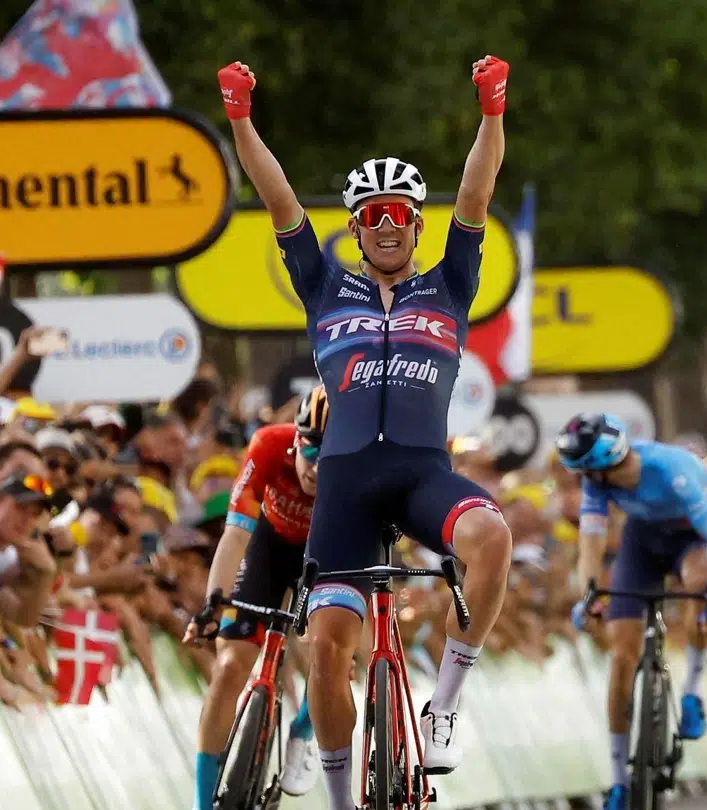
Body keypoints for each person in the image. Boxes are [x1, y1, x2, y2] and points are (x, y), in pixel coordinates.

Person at [215, 53, 514, 806]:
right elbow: (275, 194)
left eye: (401, 215)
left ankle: (444, 702)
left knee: (493, 538)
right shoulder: (324, 285)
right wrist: (242, 121)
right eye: (372, 215)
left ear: (418, 225)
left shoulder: (449, 283)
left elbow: (478, 188)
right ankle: (344, 800)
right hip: (344, 482)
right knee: (326, 653)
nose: (387, 225)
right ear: (354, 228)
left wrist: (491, 112)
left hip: (420, 473)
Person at [558, 413, 707, 810]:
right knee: (623, 656)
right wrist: (587, 597)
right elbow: (590, 545)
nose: (582, 481)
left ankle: (691, 692)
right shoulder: (597, 482)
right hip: (641, 545)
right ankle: (620, 781)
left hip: (691, 541)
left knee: (699, 586)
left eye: (585, 471)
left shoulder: (673, 473)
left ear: (604, 465)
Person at [183, 386, 327, 809]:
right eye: (310, 453)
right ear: (294, 442)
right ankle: (202, 803)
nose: (316, 470)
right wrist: (213, 604)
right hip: (267, 545)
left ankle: (305, 727)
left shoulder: (355, 469)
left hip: (324, 553)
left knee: (331, 653)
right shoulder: (267, 445)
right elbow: (234, 535)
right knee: (229, 668)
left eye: (328, 460)